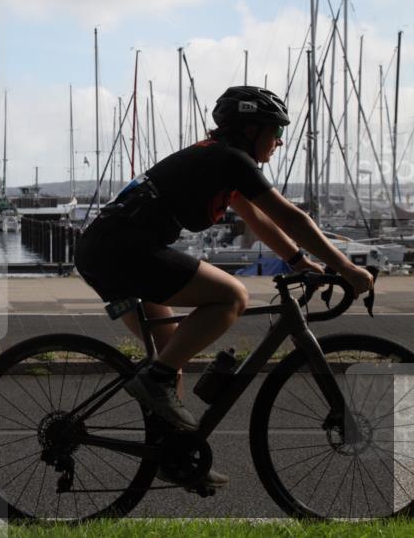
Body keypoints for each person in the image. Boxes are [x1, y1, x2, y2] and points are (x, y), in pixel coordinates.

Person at [74, 85, 374, 489]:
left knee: (169, 358)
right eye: (274, 130)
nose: (280, 141)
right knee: (231, 297)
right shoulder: (229, 159)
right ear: (250, 130)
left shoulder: (218, 160)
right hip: (123, 252)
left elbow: (260, 219)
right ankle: (154, 382)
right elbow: (291, 217)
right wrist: (346, 267)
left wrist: (301, 262)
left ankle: (177, 459)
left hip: (103, 254)